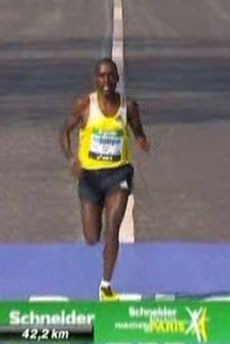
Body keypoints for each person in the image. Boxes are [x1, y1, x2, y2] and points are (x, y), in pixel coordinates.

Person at [59, 57, 150, 301]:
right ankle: (95, 230)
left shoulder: (128, 107)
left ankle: (106, 286)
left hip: (118, 174)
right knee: (91, 237)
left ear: (118, 79)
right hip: (90, 178)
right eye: (102, 76)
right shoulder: (85, 105)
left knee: (113, 228)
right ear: (95, 80)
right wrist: (71, 160)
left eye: (111, 76)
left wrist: (141, 139)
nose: (107, 80)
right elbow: (64, 132)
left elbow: (137, 128)